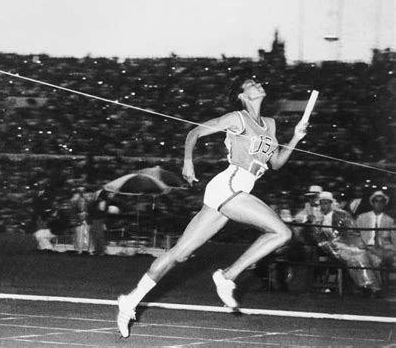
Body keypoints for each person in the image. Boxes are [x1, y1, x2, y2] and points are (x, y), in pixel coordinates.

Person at [116, 78, 308, 338]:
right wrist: (188, 162)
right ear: (242, 95)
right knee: (282, 233)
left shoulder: (271, 125)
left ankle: (130, 299)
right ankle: (228, 276)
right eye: (252, 83)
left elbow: (275, 163)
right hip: (229, 185)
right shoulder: (237, 118)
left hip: (237, 190)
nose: (259, 84)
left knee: (179, 254)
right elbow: (194, 132)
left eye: (259, 82)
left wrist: (295, 138)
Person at [313, 191, 382, 296]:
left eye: (326, 203)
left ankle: (370, 286)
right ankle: (367, 286)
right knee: (356, 257)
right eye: (322, 203)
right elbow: (320, 238)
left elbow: (352, 232)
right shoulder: (318, 220)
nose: (324, 206)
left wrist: (349, 245)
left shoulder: (342, 215)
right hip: (333, 248)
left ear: (331, 203)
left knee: (361, 256)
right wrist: (333, 246)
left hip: (349, 245)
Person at [356, 191, 395, 271]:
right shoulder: (362, 218)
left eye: (382, 201)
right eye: (376, 201)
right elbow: (355, 234)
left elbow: (394, 237)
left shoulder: (389, 220)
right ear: (372, 203)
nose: (379, 204)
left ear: (385, 204)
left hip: (383, 248)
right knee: (375, 262)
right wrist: (359, 244)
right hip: (366, 246)